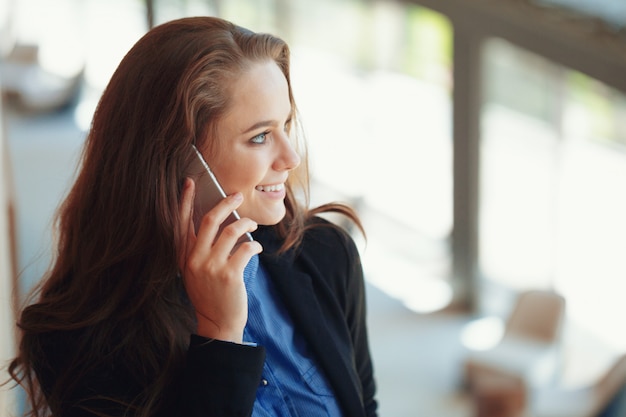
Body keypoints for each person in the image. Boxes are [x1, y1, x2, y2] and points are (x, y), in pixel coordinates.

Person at [8, 16, 378, 417]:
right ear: (177, 158)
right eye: (259, 136)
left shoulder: (325, 252)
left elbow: (365, 406)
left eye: (285, 124)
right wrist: (220, 337)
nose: (292, 158)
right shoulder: (78, 340)